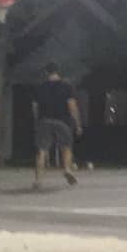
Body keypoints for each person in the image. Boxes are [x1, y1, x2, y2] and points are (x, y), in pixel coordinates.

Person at [31, 62, 83, 190]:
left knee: (42, 151)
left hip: (44, 120)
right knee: (66, 147)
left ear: (46, 73)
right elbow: (72, 106)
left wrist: (37, 121)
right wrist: (77, 123)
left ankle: (38, 180)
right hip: (63, 121)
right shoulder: (67, 87)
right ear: (58, 72)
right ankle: (67, 169)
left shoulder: (40, 87)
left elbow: (35, 107)